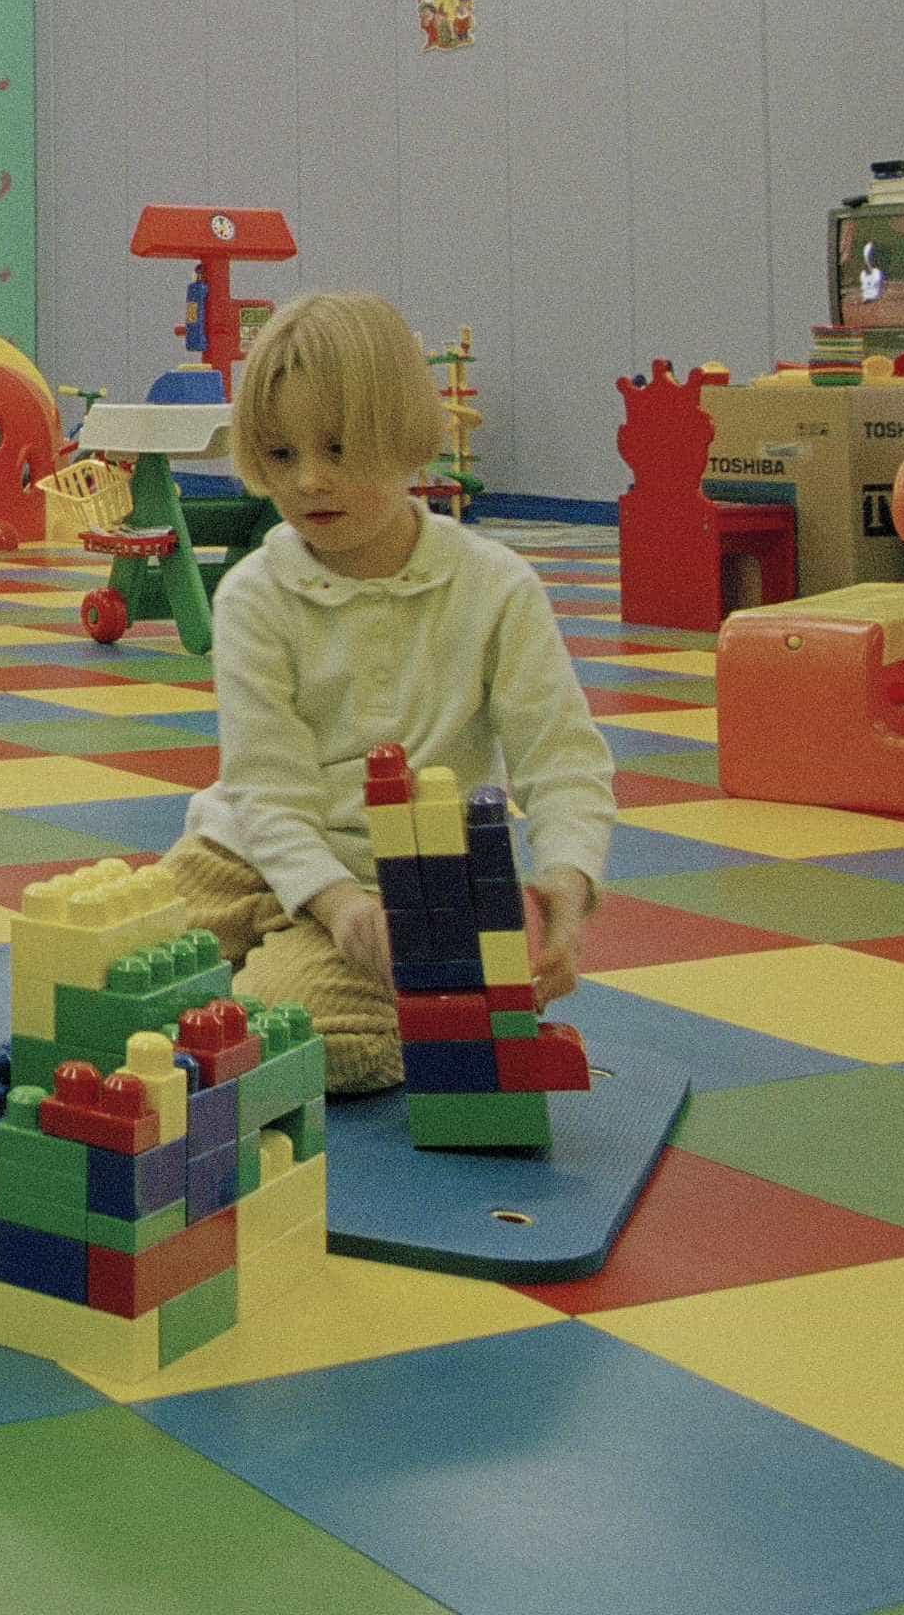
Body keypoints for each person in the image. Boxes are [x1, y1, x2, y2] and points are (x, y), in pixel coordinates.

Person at [155, 290, 615, 1095]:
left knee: (296, 1038)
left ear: (404, 436)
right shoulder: (255, 594)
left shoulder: (495, 587)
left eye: (338, 447)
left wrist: (568, 881)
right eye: (281, 453)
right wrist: (328, 904)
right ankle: (282, 948)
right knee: (104, 976)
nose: (310, 480)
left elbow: (562, 758)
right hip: (244, 848)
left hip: (400, 880)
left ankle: (359, 985)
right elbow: (267, 789)